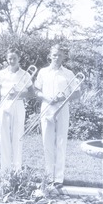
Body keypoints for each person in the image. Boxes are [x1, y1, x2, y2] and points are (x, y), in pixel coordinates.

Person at [34, 44, 81, 189]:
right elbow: (36, 90)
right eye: (54, 55)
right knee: (47, 142)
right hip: (47, 107)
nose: (57, 57)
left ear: (64, 57)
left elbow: (77, 93)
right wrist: (47, 98)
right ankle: (49, 176)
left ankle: (59, 178)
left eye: (60, 55)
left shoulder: (68, 73)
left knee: (61, 142)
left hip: (62, 107)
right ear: (50, 56)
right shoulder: (43, 72)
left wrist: (64, 97)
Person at [0, 48, 34, 174]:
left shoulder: (25, 74)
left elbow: (31, 93)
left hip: (18, 105)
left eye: (14, 58)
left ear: (19, 59)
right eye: (9, 58)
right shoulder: (1, 74)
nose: (11, 61)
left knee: (18, 137)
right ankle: (5, 170)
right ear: (7, 59)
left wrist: (18, 94)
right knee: (4, 137)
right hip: (4, 104)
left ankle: (17, 169)